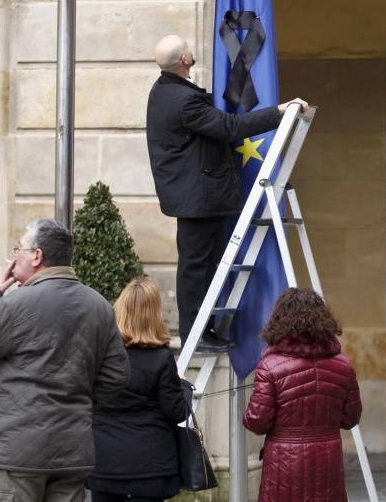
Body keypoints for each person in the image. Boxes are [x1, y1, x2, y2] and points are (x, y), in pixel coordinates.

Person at [145, 34, 307, 350]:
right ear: (183, 61)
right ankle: (196, 333)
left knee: (204, 265)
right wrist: (279, 111)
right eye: (188, 49)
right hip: (197, 196)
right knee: (196, 267)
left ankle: (203, 329)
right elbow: (229, 128)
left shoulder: (165, 91)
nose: (193, 51)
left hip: (196, 194)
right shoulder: (183, 99)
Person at [0, 219, 129, 502]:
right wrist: (78, 403)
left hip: (19, 453)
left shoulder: (15, 304)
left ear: (37, 256)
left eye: (18, 250)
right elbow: (117, 376)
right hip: (72, 452)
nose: (15, 258)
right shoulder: (98, 305)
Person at [243, 288, 362, 502]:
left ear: (280, 321)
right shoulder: (343, 365)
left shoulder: (270, 366)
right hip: (327, 459)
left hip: (284, 463)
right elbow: (350, 419)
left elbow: (257, 423)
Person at [89, 277, 189, 502]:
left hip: (105, 461)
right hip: (151, 464)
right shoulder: (162, 358)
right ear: (153, 313)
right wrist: (181, 385)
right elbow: (176, 412)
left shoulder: (101, 354)